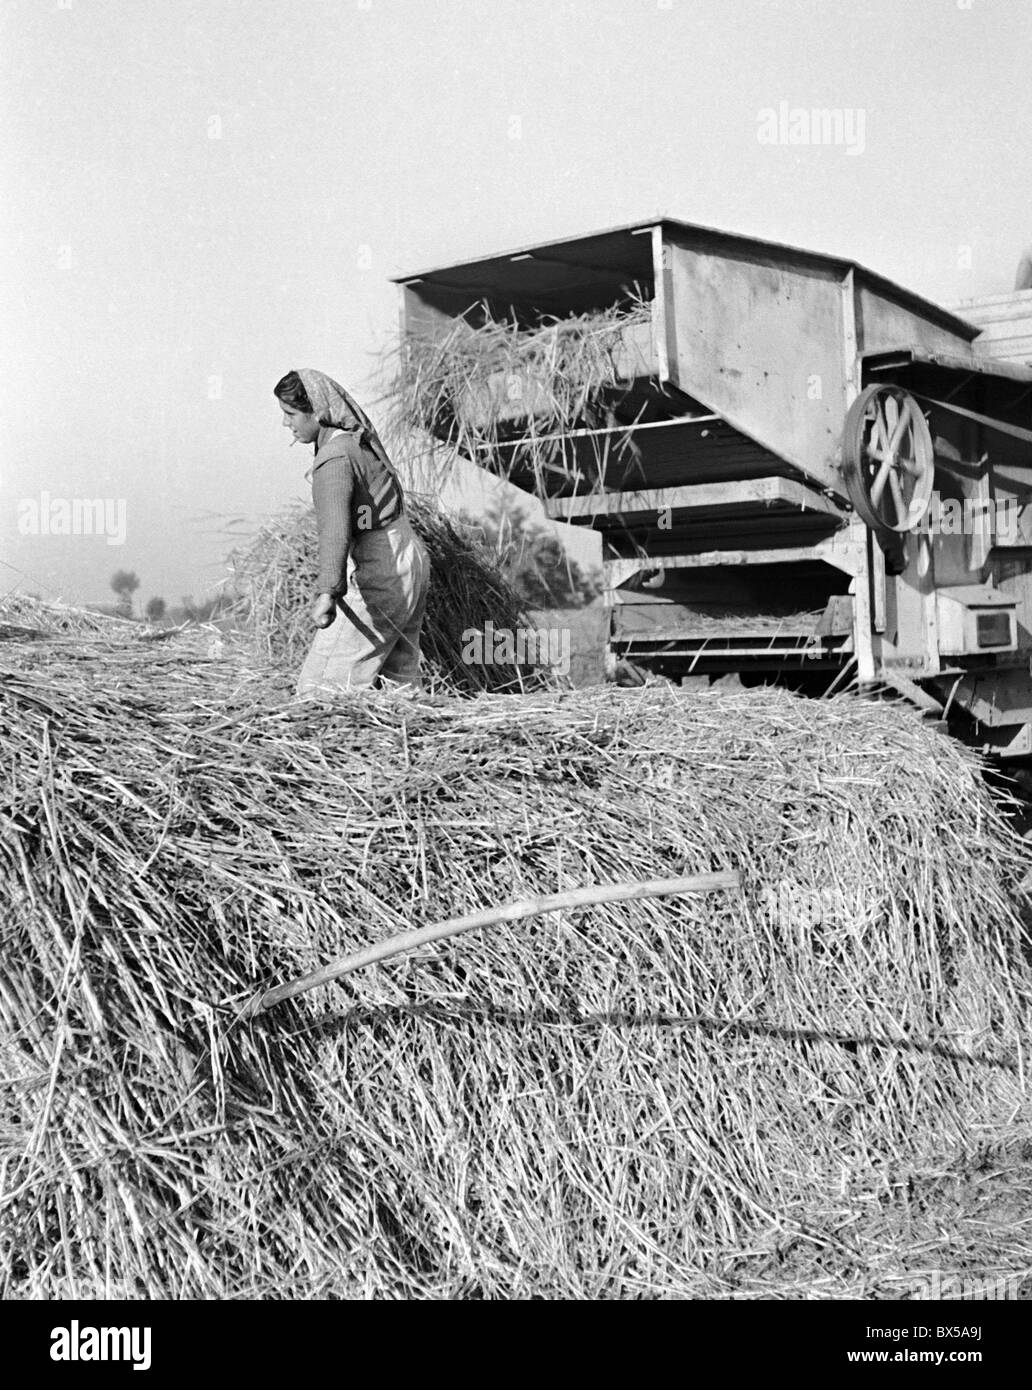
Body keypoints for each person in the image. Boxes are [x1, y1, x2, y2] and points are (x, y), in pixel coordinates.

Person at [274, 368, 430, 697]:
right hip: (410, 561)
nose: (286, 424)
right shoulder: (357, 444)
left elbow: (336, 530)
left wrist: (328, 592)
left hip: (382, 573)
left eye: (290, 414)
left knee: (321, 691)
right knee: (398, 687)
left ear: (317, 412)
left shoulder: (334, 458)